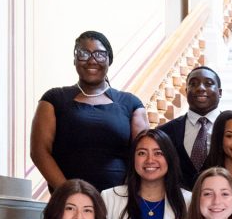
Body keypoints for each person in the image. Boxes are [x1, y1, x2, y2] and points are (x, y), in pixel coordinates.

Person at [30, 30, 148, 193]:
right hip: (68, 202)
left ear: (109, 60)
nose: (92, 60)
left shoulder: (131, 103)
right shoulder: (54, 99)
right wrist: (69, 193)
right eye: (84, 53)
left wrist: (123, 195)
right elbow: (39, 152)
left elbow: (143, 153)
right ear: (75, 59)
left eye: (100, 54)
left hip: (119, 202)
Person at [157, 66, 223, 191]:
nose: (200, 88)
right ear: (186, 90)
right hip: (178, 206)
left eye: (208, 84)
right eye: (193, 84)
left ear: (220, 92)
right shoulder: (165, 132)